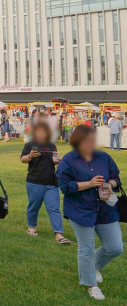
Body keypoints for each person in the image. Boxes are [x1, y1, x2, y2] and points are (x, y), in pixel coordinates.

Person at [57, 125, 123, 301]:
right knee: (85, 248)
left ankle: (94, 266)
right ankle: (91, 285)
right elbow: (65, 187)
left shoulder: (104, 157)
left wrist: (110, 185)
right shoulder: (68, 161)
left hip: (105, 209)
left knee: (115, 247)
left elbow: (116, 177)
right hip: (80, 210)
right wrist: (89, 183)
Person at [20, 121, 71, 244]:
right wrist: (31, 156)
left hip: (51, 181)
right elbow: (23, 159)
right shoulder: (30, 145)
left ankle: (59, 234)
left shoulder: (51, 145)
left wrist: (56, 161)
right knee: (34, 206)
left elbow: (53, 160)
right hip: (35, 181)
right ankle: (31, 227)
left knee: (54, 208)